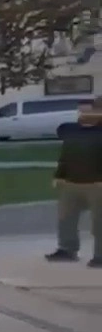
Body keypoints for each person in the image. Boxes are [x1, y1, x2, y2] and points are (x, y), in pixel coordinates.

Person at [46, 97, 102, 267]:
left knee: (99, 221)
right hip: (71, 183)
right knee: (66, 218)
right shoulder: (73, 131)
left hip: (97, 184)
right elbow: (66, 154)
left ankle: (100, 255)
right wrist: (59, 175)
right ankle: (67, 249)